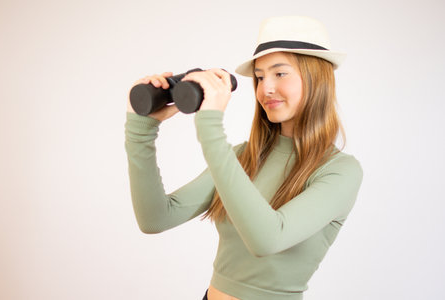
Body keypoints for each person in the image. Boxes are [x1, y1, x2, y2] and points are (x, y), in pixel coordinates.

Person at [125, 16, 363, 300]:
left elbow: (268, 238)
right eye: (260, 77)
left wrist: (210, 125)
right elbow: (155, 218)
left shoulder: (340, 171)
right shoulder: (243, 156)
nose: (266, 89)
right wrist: (142, 132)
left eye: (280, 73)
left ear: (316, 78)